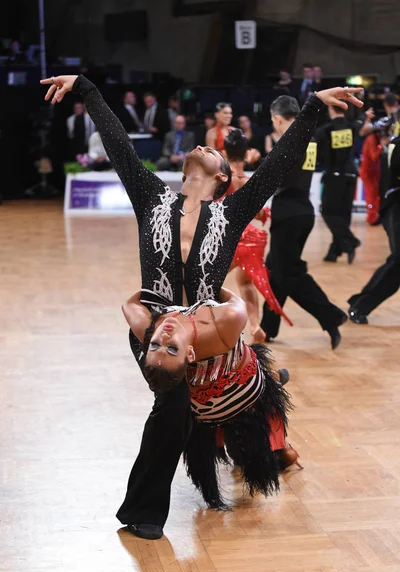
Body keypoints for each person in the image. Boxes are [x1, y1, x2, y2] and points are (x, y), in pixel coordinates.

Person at [41, 74, 363, 540]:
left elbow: (279, 164)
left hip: (209, 331)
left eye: (214, 156)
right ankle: (145, 511)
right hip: (156, 329)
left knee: (243, 400)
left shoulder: (232, 212)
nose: (206, 149)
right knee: (171, 411)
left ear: (221, 178)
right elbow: (117, 145)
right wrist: (87, 90)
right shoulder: (151, 195)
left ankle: (266, 453)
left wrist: (312, 106)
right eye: (203, 149)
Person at [122, 286, 297, 512]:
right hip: (240, 392)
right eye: (173, 348)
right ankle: (277, 447)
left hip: (207, 402)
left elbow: (129, 305)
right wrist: (211, 284)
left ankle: (261, 447)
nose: (164, 336)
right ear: (190, 354)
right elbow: (234, 300)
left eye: (156, 345)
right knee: (255, 428)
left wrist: (155, 284)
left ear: (147, 344)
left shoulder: (150, 329)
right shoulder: (224, 325)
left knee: (242, 443)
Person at [260, 96, 348, 349]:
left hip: (288, 215)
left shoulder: (287, 142)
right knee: (275, 270)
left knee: (289, 275)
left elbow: (268, 177)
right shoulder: (309, 140)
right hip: (302, 213)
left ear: (277, 118)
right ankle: (267, 327)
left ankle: (330, 314)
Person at [224, 128, 292, 343]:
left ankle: (215, 327)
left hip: (230, 240)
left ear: (224, 152)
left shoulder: (221, 178)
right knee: (245, 283)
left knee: (208, 283)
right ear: (246, 154)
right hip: (252, 241)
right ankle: (255, 326)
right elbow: (260, 213)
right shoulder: (247, 181)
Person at [348, 113, 400, 324]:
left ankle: (360, 302)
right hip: (395, 205)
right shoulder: (396, 144)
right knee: (398, 260)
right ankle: (360, 305)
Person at [316, 103, 362, 263]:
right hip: (352, 174)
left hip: (335, 175)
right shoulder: (352, 127)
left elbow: (319, 156)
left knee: (328, 212)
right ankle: (334, 252)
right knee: (343, 214)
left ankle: (350, 240)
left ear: (330, 109)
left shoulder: (325, 130)